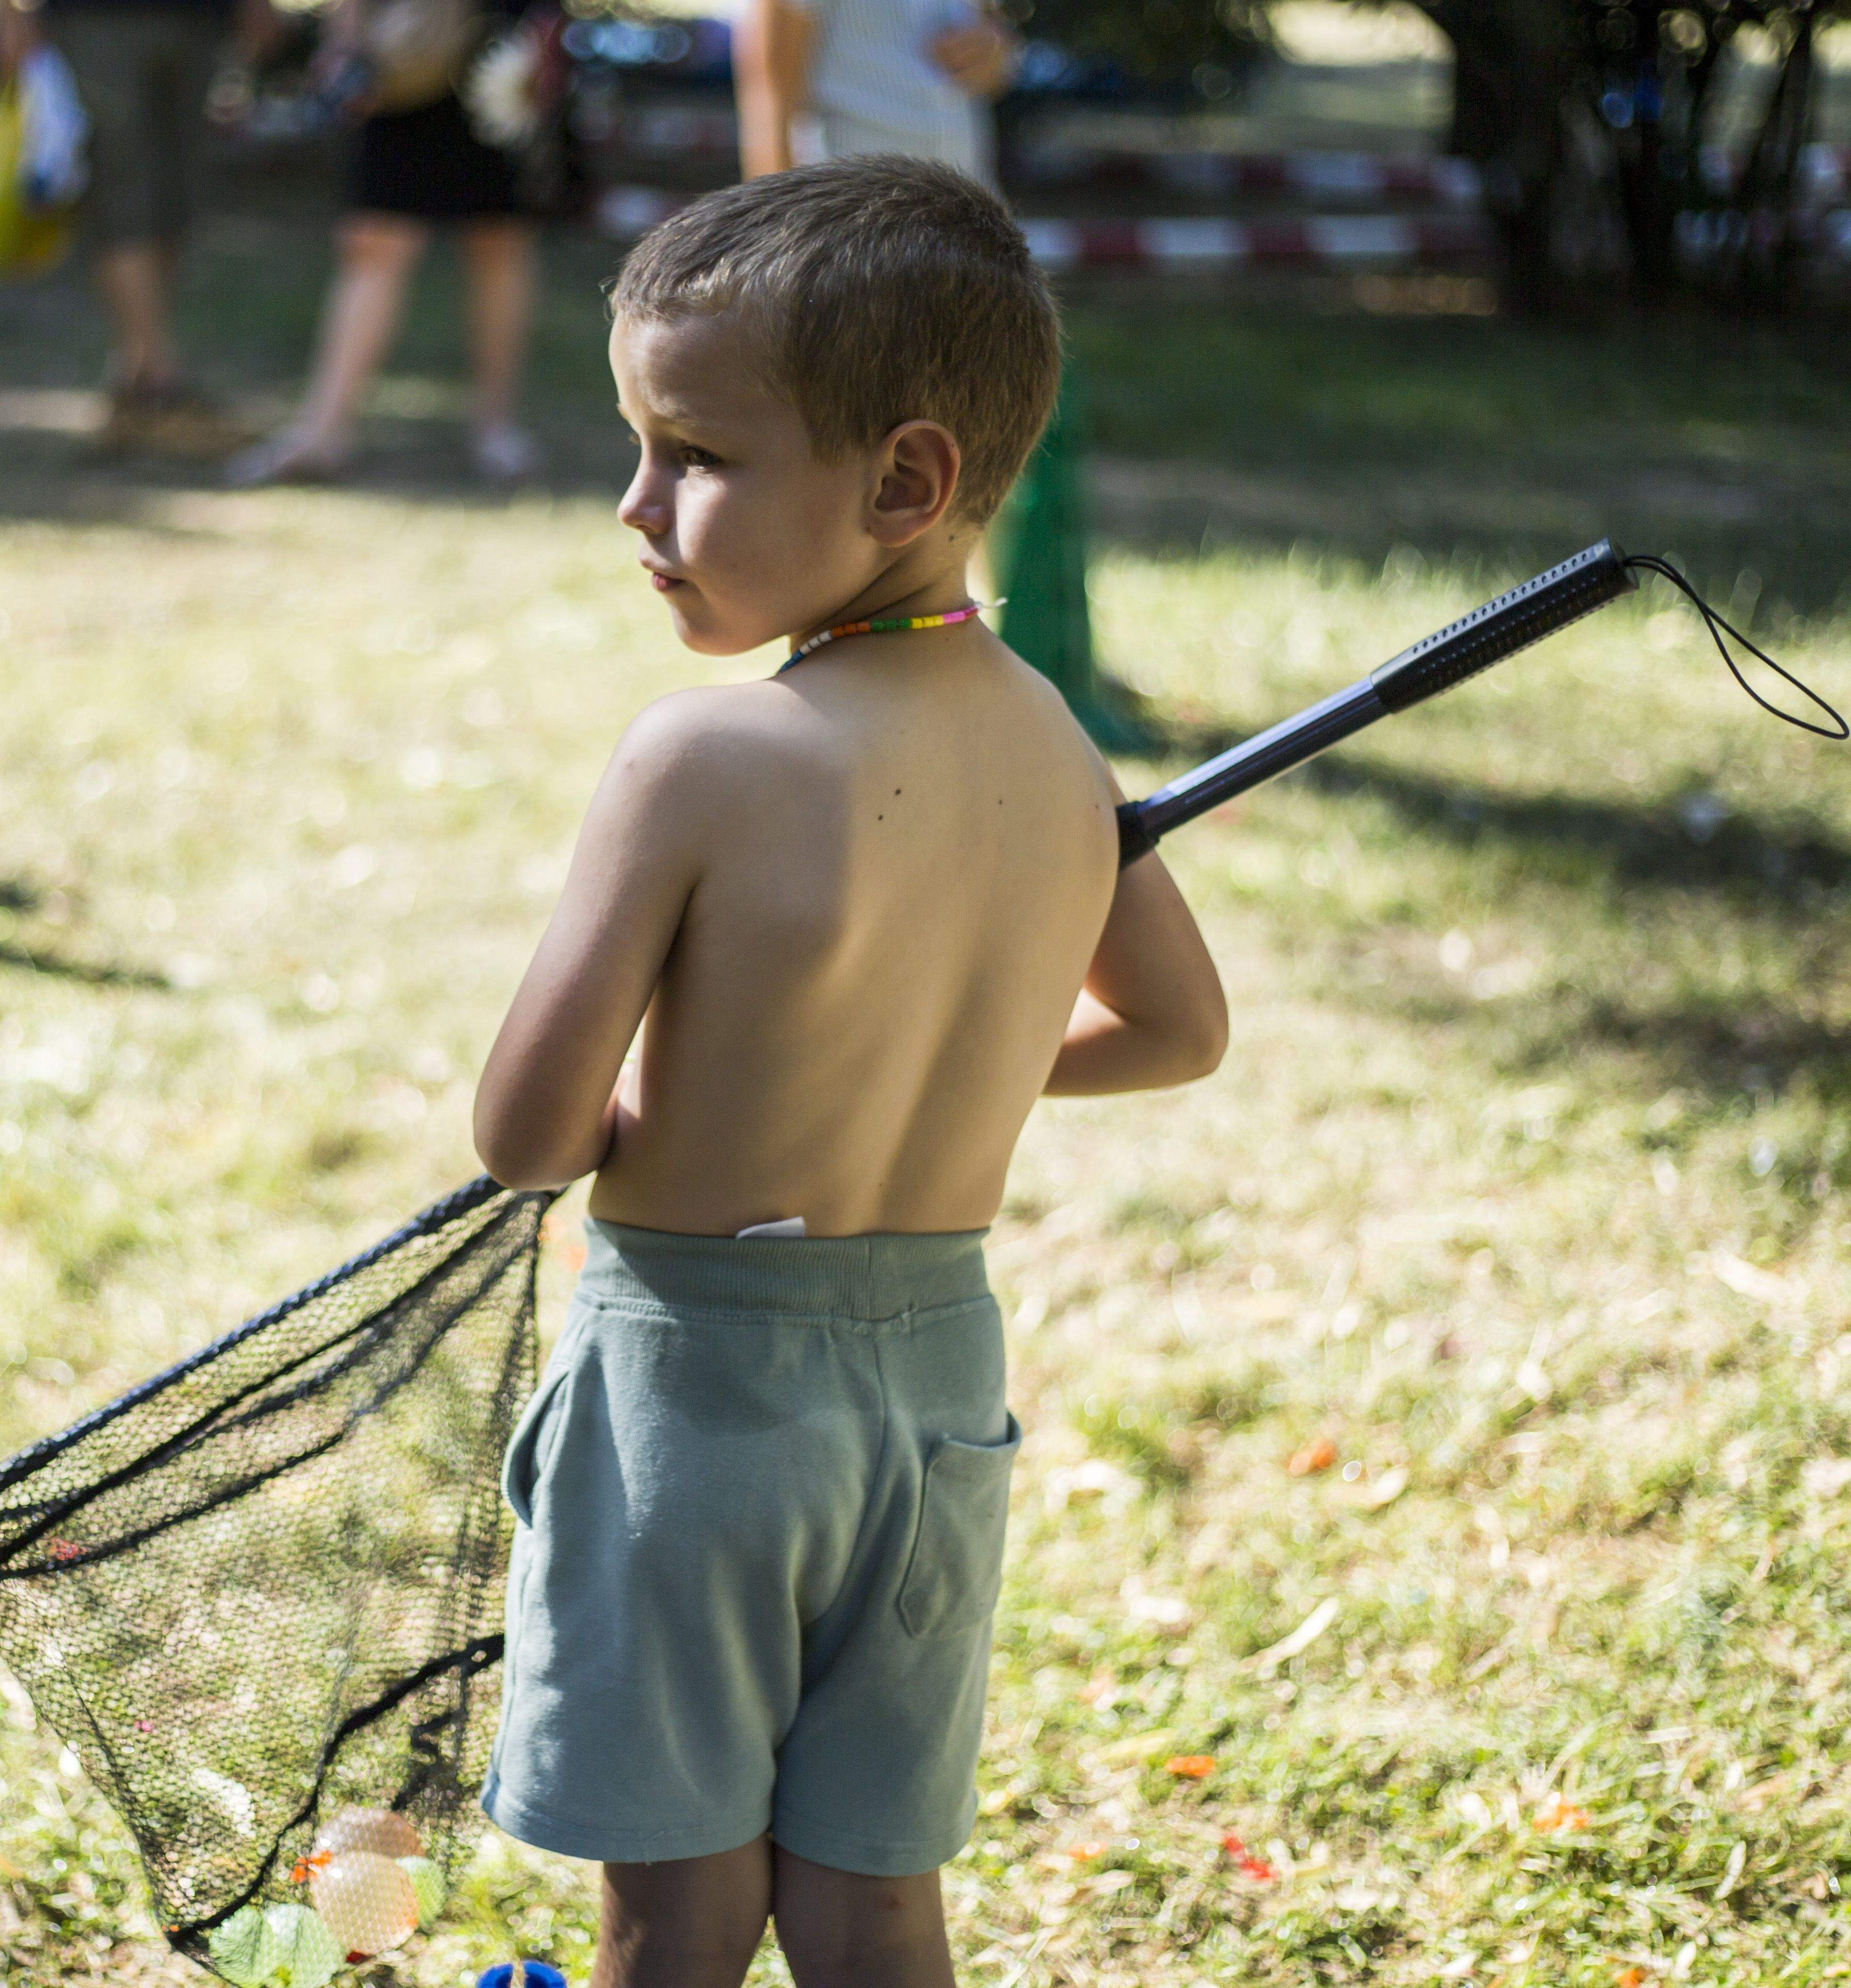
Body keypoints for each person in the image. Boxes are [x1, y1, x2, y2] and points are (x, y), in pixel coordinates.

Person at [469, 158, 1228, 1987]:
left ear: (906, 480)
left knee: (678, 1898)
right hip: (935, 1396)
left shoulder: (699, 762)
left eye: (699, 458)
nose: (638, 505)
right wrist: (930, 1055)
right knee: (876, 1893)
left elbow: (526, 1135)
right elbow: (1180, 1030)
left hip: (697, 1399)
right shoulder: (1059, 749)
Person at [225, 0, 545, 487]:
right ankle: (322, 433)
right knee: (374, 241)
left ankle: (496, 426)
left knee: (497, 237)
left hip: (499, 48)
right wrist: (347, 36)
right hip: (403, 48)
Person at [0, 0, 275, 454]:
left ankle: (135, 382)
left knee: (174, 199)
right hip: (96, 22)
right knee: (124, 197)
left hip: (195, 19)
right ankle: (162, 393)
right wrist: (8, 14)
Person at [733, 0, 1014, 182]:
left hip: (967, 198)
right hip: (852, 215)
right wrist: (776, 237)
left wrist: (993, 49)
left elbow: (992, 72)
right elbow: (766, 100)